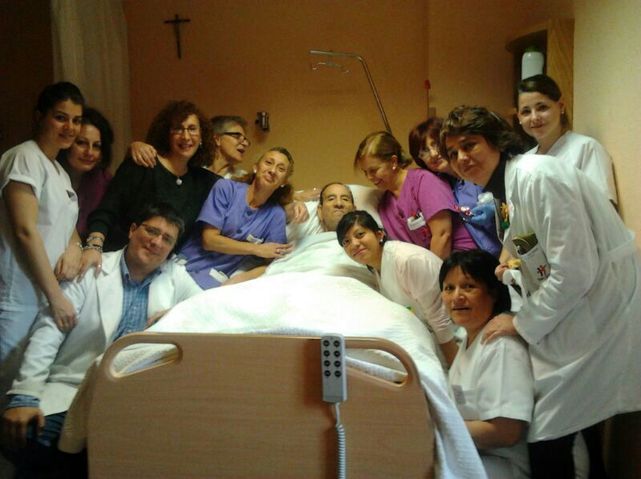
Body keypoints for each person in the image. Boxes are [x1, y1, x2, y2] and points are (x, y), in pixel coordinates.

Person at [441, 105, 641, 478]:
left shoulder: (538, 177)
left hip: (604, 310)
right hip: (579, 308)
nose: (461, 158)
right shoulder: (507, 190)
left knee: (549, 432)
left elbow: (575, 271)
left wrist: (520, 323)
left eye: (469, 145)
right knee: (572, 419)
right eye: (453, 153)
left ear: (496, 141)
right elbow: (536, 245)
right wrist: (513, 265)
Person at [0, 202, 202, 478]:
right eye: (151, 231)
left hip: (133, 401)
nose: (156, 242)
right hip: (72, 388)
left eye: (167, 239)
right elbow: (50, 331)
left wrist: (177, 314)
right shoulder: (92, 268)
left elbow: (209, 309)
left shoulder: (176, 278)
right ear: (132, 230)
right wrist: (25, 395)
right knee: (39, 444)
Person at [0, 82, 85, 404]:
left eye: (76, 120)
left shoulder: (59, 171)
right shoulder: (24, 158)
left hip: (43, 295)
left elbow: (67, 227)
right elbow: (25, 230)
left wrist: (75, 249)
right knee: (7, 385)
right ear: (40, 116)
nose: (70, 127)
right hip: (17, 294)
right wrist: (56, 297)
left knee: (25, 386)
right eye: (61, 117)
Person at [82, 100, 219, 275]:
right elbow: (107, 209)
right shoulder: (142, 164)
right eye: (178, 129)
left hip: (161, 270)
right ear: (166, 133)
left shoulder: (203, 181)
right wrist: (94, 246)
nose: (186, 136)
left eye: (192, 129)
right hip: (116, 264)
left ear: (201, 137)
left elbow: (239, 196)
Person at [440, 249, 533, 478]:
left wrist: (440, 430)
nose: (457, 297)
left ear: (493, 292)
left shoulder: (501, 345)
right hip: (476, 454)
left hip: (506, 464)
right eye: (449, 288)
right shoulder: (468, 339)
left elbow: (507, 431)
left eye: (468, 286)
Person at [336, 210, 457, 363]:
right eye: (346, 242)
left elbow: (441, 320)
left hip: (457, 336)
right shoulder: (376, 267)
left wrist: (454, 368)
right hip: (430, 336)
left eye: (360, 234)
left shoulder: (408, 260)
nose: (354, 244)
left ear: (379, 234)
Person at [179, 147, 295, 289]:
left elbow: (274, 263)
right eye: (268, 163)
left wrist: (240, 279)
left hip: (214, 283)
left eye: (281, 169)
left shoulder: (276, 215)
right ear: (256, 168)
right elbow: (209, 240)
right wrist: (256, 249)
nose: (272, 170)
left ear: (284, 182)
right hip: (184, 266)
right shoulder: (226, 188)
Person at [354, 131, 476, 260]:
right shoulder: (385, 207)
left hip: (462, 257)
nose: (369, 177)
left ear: (393, 162)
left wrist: (432, 272)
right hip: (427, 264)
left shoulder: (423, 181)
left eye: (374, 170)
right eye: (365, 172)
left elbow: (443, 235)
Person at [517, 74, 617, 204]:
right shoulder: (524, 161)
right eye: (526, 112)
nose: (534, 117)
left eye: (542, 108)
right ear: (519, 117)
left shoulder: (586, 149)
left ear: (561, 106)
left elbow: (605, 210)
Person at [409, 118, 501, 257]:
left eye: (436, 144)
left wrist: (497, 207)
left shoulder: (477, 171)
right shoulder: (442, 187)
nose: (433, 154)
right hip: (491, 259)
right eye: (425, 151)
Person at [58, 107, 114, 238]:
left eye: (96, 146)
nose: (89, 152)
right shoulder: (50, 173)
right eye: (82, 143)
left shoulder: (104, 182)